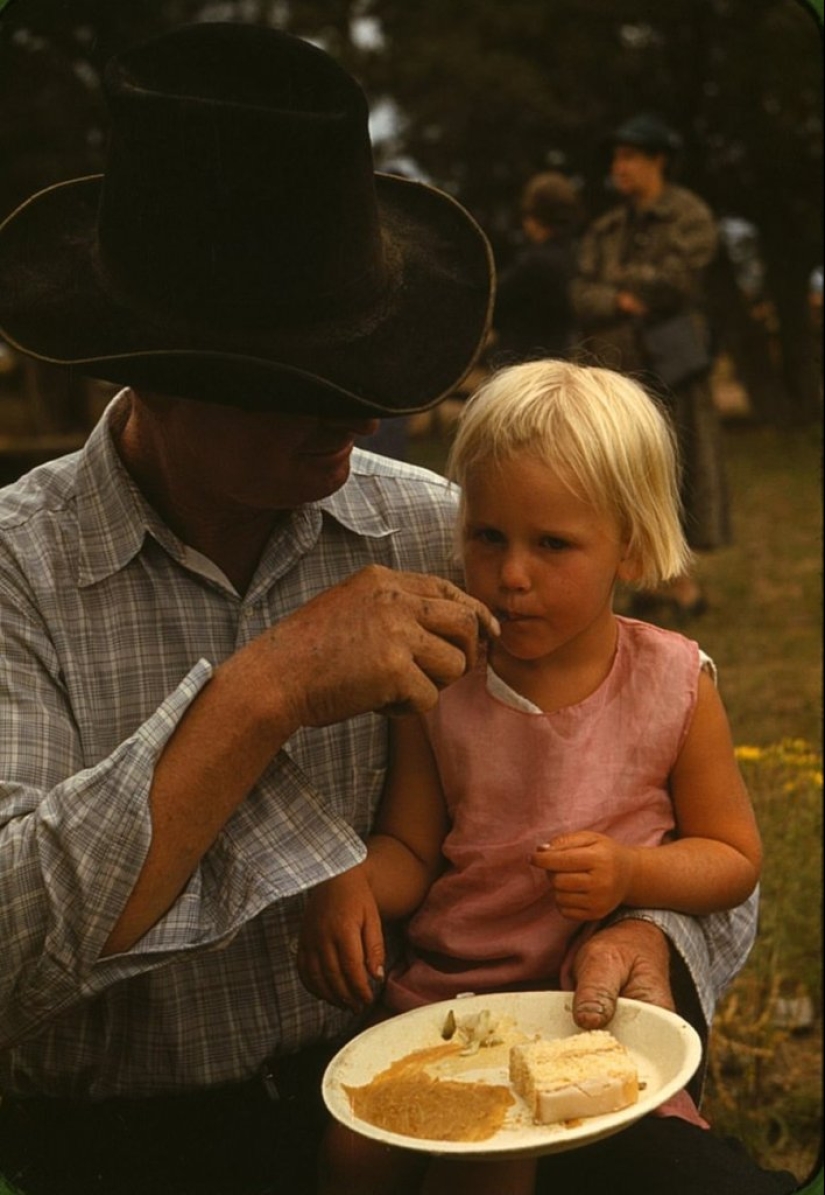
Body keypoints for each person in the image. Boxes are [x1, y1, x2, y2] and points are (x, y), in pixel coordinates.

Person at [0, 22, 783, 1195]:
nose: (355, 420)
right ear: (152, 373)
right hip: (121, 1140)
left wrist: (646, 932)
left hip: (443, 1064)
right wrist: (264, 689)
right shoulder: (21, 568)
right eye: (299, 390)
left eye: (365, 373)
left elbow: (689, 826)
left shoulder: (445, 530)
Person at [298, 360, 764, 1195]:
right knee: (353, 1145)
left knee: (498, 1169)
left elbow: (731, 856)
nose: (511, 574)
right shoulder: (440, 681)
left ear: (627, 541)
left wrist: (631, 871)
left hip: (587, 1008)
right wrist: (343, 880)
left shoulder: (672, 682)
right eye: (488, 537)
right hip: (451, 998)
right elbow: (411, 846)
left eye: (551, 544)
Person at [572, 113, 731, 620]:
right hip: (617, 373)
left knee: (675, 474)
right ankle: (657, 585)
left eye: (630, 157)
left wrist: (619, 287)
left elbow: (677, 281)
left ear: (657, 161)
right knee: (622, 475)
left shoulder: (688, 215)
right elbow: (581, 293)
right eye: (617, 157)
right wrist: (621, 298)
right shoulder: (607, 227)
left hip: (673, 370)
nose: (619, 167)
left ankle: (676, 584)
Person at [492, 170, 580, 364]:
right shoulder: (578, 256)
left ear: (533, 216)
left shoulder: (534, 262)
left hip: (522, 365)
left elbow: (493, 303)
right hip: (559, 363)